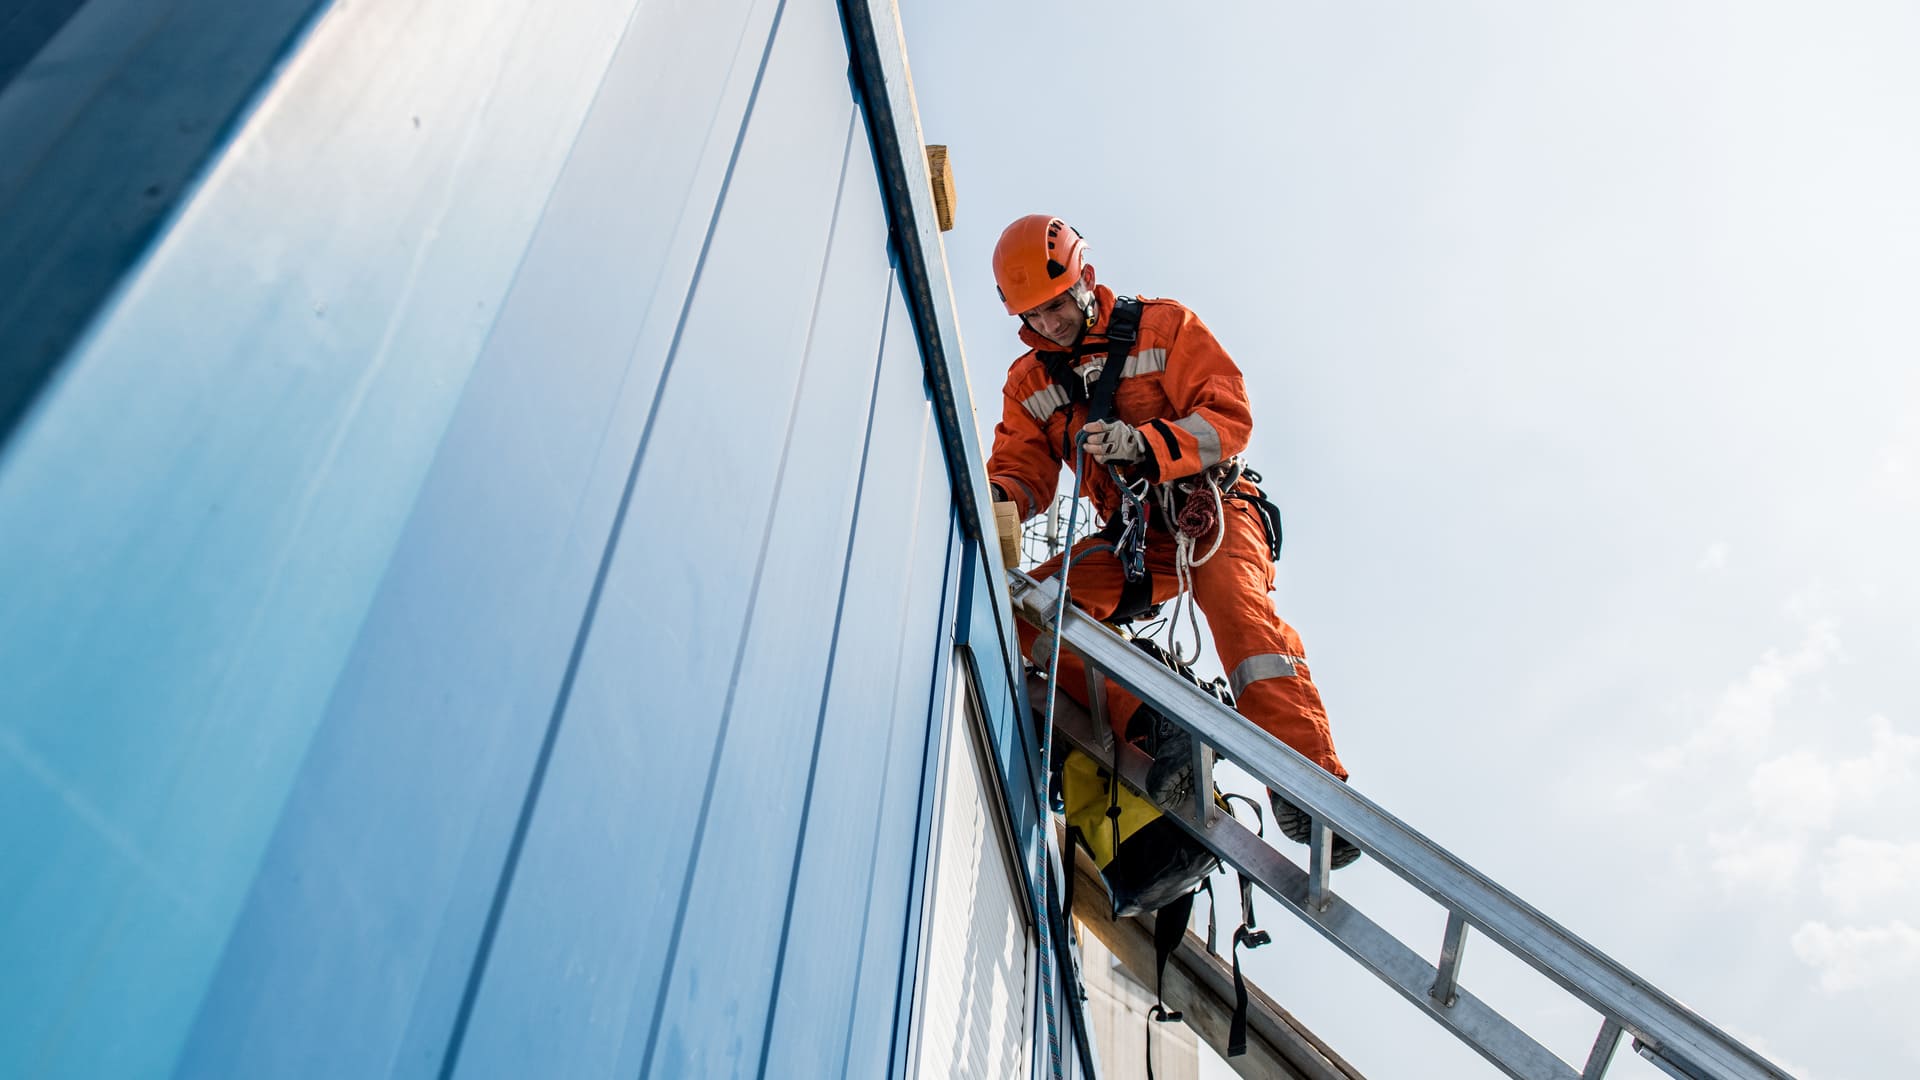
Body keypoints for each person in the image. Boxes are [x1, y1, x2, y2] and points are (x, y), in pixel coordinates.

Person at [985, 213, 1360, 868]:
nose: (1048, 324)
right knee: (1023, 612)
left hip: (1210, 509)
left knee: (1236, 615)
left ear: (1086, 278)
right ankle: (1153, 725)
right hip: (1137, 541)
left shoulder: (1162, 328)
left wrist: (1147, 446)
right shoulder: (1031, 385)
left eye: (1055, 306)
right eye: (1033, 316)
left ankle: (1308, 781)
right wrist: (995, 500)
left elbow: (1228, 418)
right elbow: (1021, 471)